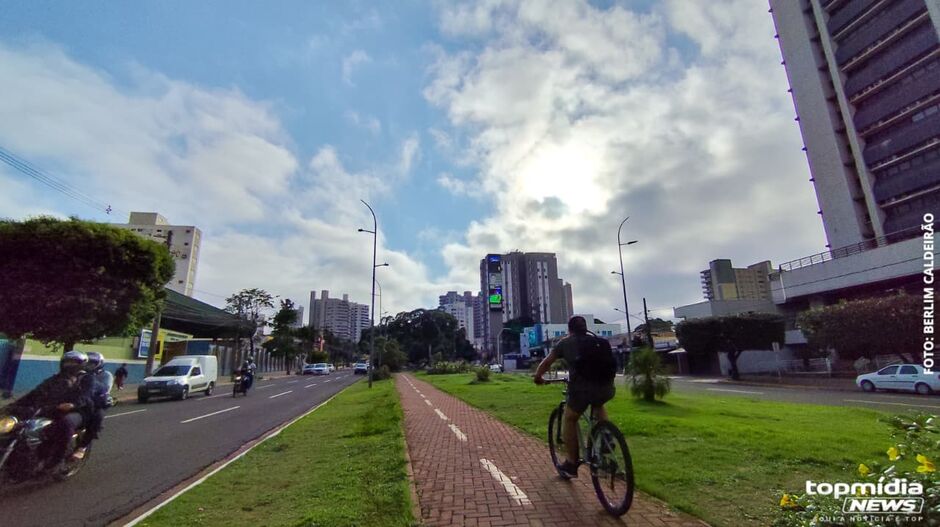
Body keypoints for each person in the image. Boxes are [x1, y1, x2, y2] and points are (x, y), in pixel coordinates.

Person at [533, 316, 617, 479]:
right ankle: (606, 434)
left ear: (569, 329)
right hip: (607, 387)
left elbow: (547, 362)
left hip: (582, 390)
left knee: (570, 419)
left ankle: (571, 463)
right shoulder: (597, 341)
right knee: (598, 403)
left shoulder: (566, 342)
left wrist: (538, 376)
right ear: (585, 328)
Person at [9, 351, 95, 465]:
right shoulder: (55, 379)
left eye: (73, 362)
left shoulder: (86, 379)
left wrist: (73, 404)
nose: (69, 365)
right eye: (67, 362)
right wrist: (13, 405)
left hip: (76, 411)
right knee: (18, 426)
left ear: (81, 364)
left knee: (65, 424)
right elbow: (36, 393)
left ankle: (55, 461)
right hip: (50, 409)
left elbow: (85, 396)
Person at [79, 352, 113, 453]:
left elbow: (105, 389)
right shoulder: (80, 373)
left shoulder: (106, 375)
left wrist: (89, 381)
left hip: (96, 402)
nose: (89, 366)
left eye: (92, 363)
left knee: (98, 417)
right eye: (87, 363)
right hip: (78, 400)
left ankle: (83, 446)